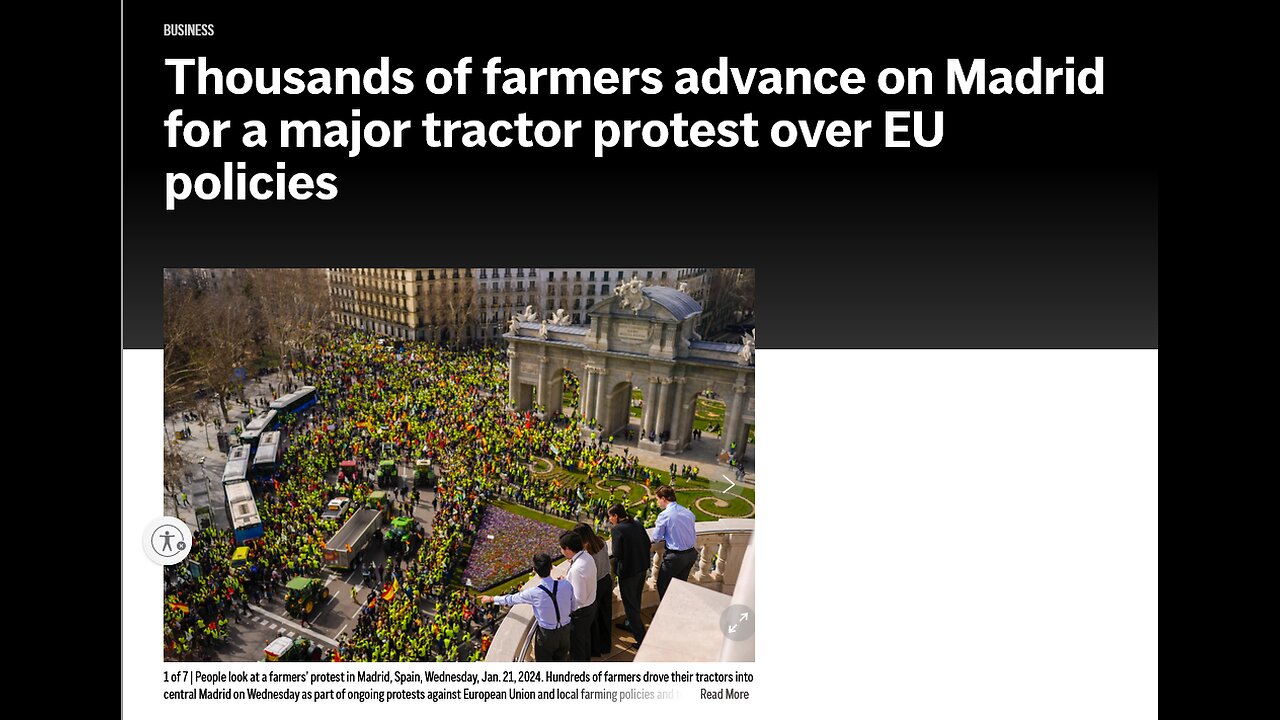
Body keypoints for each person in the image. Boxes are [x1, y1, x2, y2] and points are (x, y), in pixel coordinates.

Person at [480, 553, 574, 662]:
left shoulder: (534, 593)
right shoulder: (566, 584)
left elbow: (510, 599)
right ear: (551, 566)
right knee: (561, 660)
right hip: (565, 629)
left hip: (547, 635)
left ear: (534, 569)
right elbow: (572, 602)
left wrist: (491, 599)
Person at [607, 503, 650, 648]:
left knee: (630, 606)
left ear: (616, 516)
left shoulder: (617, 529)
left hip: (629, 572)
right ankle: (632, 624)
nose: (609, 519)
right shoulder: (637, 524)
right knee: (635, 600)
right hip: (642, 568)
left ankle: (641, 638)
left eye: (610, 517)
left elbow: (617, 553)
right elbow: (647, 543)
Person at [651, 485, 697, 599]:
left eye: (657, 499)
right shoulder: (687, 512)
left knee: (663, 585)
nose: (657, 503)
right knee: (680, 586)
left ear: (663, 499)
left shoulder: (665, 515)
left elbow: (655, 538)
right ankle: (677, 609)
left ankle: (666, 612)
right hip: (691, 554)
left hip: (676, 557)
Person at [575, 523, 612, 657]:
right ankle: (606, 645)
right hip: (606, 581)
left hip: (596, 585)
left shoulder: (586, 553)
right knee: (606, 615)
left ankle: (595, 649)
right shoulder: (601, 541)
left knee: (594, 620)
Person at [559, 531, 596, 662]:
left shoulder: (576, 569)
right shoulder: (587, 556)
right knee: (585, 640)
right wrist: (567, 580)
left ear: (568, 549)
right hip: (590, 606)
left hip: (580, 612)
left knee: (577, 646)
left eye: (562, 548)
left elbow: (579, 599)